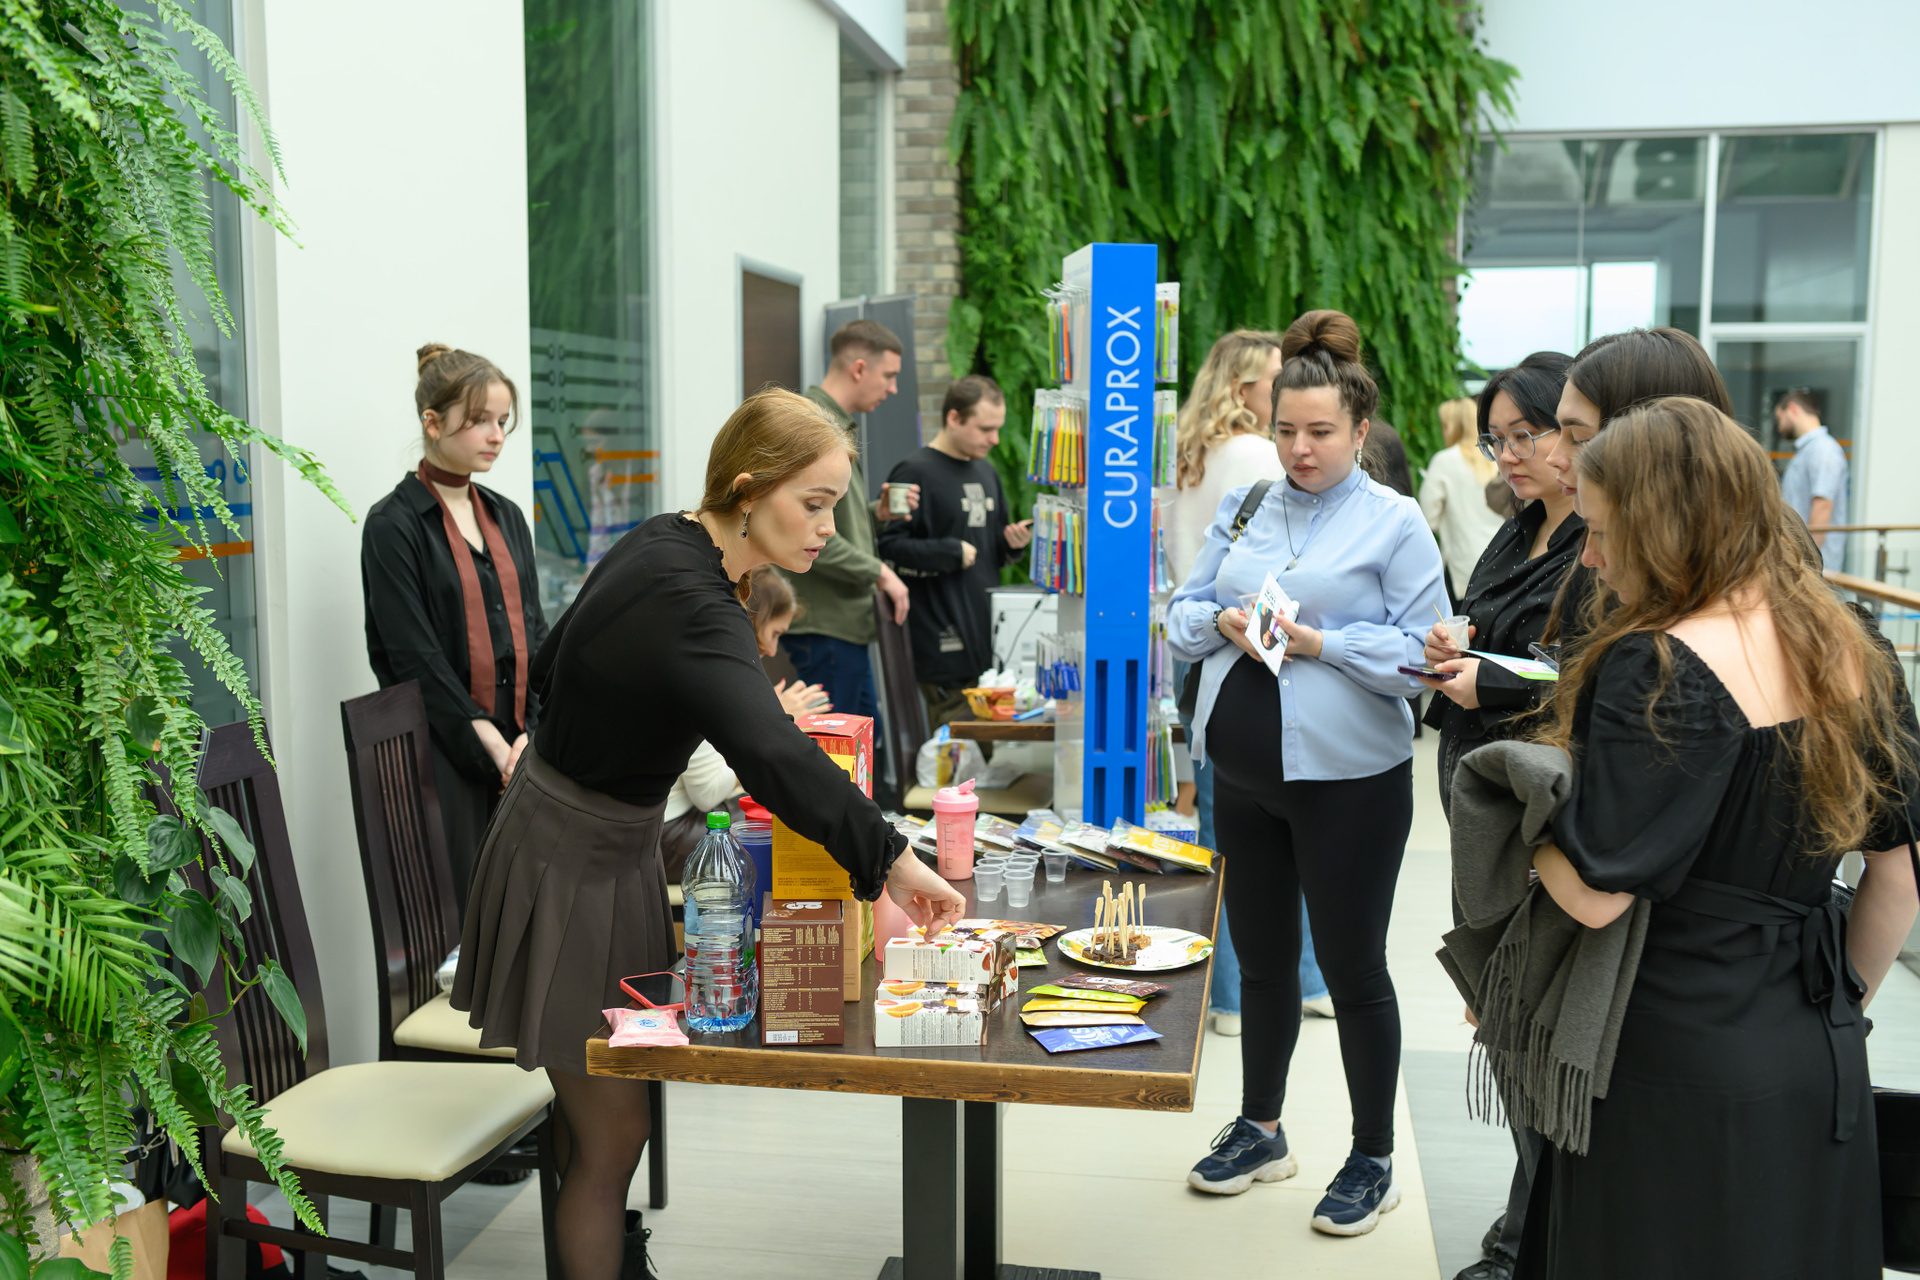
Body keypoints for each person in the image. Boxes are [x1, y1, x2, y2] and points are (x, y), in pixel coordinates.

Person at [451, 388, 968, 1280]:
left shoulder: (666, 540)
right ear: (747, 488)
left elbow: (560, 655)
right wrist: (891, 857)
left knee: (604, 1111)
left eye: (834, 507)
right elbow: (771, 750)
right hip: (571, 854)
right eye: (813, 505)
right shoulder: (696, 598)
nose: (826, 529)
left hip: (599, 841)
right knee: (614, 1132)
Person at [1510, 396, 1918, 1279]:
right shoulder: (1859, 650)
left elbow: (1595, 893)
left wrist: (1523, 836)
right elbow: (1898, 879)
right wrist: (1838, 1005)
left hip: (1665, 1058)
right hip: (1814, 1048)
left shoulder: (1655, 665)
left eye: (1602, 531)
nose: (1591, 558)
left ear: (1666, 527)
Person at [1168, 309, 1446, 1236]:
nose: (1300, 449)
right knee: (1263, 963)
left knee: (1354, 969)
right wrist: (1223, 623)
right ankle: (1262, 1129)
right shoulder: (1251, 505)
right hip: (1242, 781)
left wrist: (1322, 643)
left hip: (1349, 786)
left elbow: (1424, 657)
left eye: (1321, 432)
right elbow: (1184, 613)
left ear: (1361, 430)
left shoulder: (1395, 522)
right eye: (1285, 429)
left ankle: (1374, 1157)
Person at [1412, 353, 1578, 1280]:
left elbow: (1595, 679)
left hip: (1539, 818)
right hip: (1481, 808)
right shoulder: (1520, 531)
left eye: (1527, 434)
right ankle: (1531, 1222)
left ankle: (1533, 1234)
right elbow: (1495, 631)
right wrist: (1458, 641)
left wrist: (1497, 678)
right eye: (1496, 438)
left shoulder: (1601, 541)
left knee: (1528, 1025)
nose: (1508, 454)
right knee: (1500, 1016)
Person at [362, 344, 548, 912]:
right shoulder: (394, 524)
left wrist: (529, 736)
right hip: (442, 756)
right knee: (460, 922)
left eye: (502, 421)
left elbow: (536, 635)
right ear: (433, 422)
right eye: (479, 420)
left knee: (526, 912)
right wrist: (491, 743)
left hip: (523, 755)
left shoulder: (507, 516)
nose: (495, 435)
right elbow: (412, 656)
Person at [1165, 331, 1310, 1036]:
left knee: (1223, 827)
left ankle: (1236, 992)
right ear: (1243, 386)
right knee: (1279, 822)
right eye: (1275, 379)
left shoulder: (1190, 454)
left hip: (1197, 646)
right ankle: (1255, 992)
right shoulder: (1256, 456)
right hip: (1251, 645)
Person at [876, 375, 1033, 728]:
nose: (995, 439)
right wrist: (948, 551)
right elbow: (889, 546)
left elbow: (988, 552)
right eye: (985, 429)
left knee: (992, 747)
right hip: (941, 641)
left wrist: (1011, 545)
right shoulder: (913, 471)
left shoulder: (987, 472)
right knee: (954, 746)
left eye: (998, 429)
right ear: (953, 418)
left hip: (986, 643)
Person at [785, 319, 918, 729]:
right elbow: (804, 532)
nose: (893, 389)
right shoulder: (813, 425)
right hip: (826, 626)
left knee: (859, 747)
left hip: (840, 625)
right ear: (859, 368)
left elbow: (830, 524)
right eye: (889, 375)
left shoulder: (832, 422)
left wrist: (875, 515)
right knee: (836, 752)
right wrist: (882, 572)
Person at [659, 566, 828, 879]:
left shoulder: (705, 655)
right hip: (671, 832)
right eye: (774, 634)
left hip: (668, 825)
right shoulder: (712, 671)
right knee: (791, 828)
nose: (773, 649)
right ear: (753, 621)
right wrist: (770, 727)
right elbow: (707, 792)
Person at [1419, 396, 1506, 600]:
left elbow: (1427, 520)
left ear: (1451, 427)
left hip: (1463, 569)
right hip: (1502, 560)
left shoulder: (1443, 461)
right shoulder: (1496, 457)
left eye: (1443, 425)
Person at [1775, 387, 1850, 571]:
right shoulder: (1808, 451)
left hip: (1812, 566)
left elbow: (1823, 505)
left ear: (1793, 409)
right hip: (1799, 560)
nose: (1779, 428)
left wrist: (1809, 563)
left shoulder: (1824, 450)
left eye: (1780, 419)